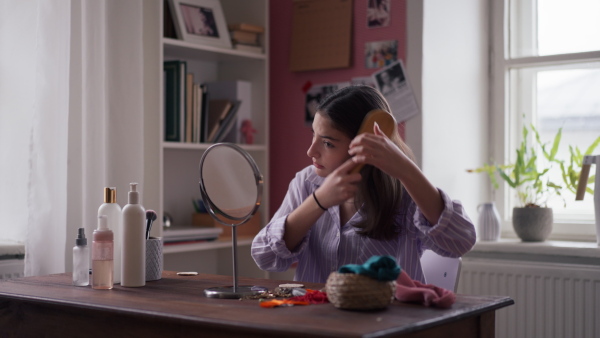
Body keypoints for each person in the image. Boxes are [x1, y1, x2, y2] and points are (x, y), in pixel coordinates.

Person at [251, 85, 476, 284]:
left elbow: (461, 241)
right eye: (314, 136)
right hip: (316, 321)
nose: (311, 151)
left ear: (366, 142)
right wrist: (318, 202)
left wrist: (407, 171)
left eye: (328, 143)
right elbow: (265, 257)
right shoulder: (307, 182)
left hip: (388, 326)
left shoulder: (406, 193)